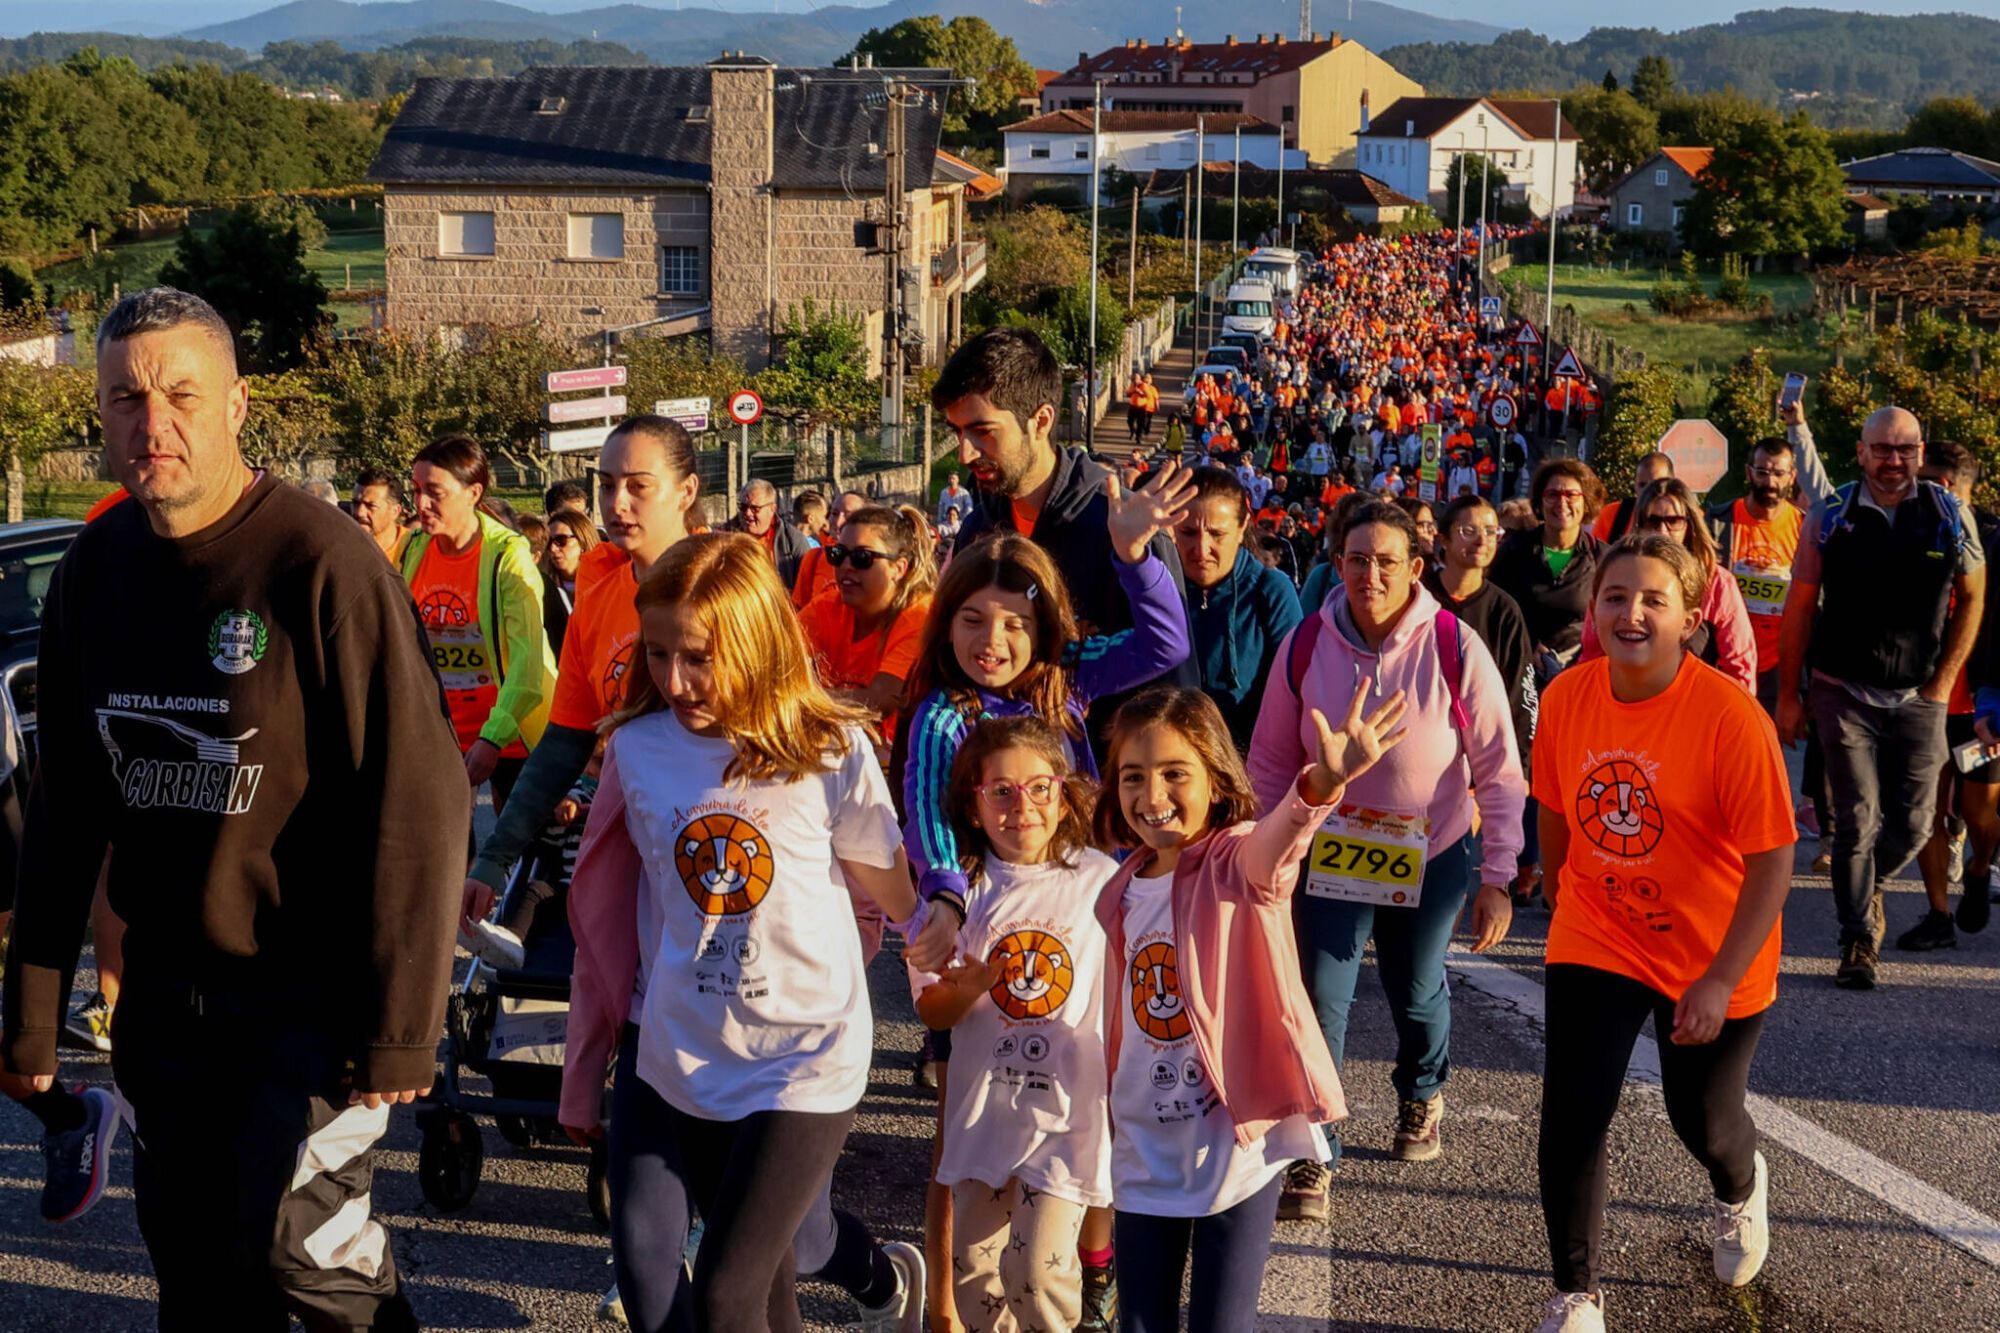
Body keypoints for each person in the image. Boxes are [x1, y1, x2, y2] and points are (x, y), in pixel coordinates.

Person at [0, 286, 468, 1328]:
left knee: (310, 1254)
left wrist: (400, 1026)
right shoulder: (93, 573)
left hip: (307, 1002)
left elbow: (417, 801)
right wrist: (31, 1014)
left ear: (237, 403)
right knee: (203, 1276)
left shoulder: (322, 563)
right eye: (127, 399)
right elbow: (64, 809)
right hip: (166, 1004)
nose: (152, 423)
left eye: (181, 394)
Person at [560, 533, 951, 1332]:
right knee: (761, 1291)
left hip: (806, 1052)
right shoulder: (635, 746)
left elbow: (892, 885)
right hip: (689, 1049)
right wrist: (592, 1045)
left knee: (726, 1292)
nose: (675, 680)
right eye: (659, 654)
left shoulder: (828, 746)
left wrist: (938, 920)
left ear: (755, 643)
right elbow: (613, 904)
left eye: (699, 658)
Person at [1529, 536, 1795, 1333]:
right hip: (1600, 928)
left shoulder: (1731, 717)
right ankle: (1576, 1295)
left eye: (1654, 600)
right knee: (1575, 1110)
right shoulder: (1568, 697)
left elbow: (1773, 859)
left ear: (1690, 618)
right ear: (1593, 608)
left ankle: (1740, 1186)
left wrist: (1719, 977)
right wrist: (1562, 893)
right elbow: (1555, 807)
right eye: (1615, 597)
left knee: (1702, 1120)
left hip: (1713, 947)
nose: (1632, 614)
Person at [1249, 500, 1523, 1220]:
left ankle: (1423, 1091)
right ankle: (1314, 1149)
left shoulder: (1454, 644)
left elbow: (1498, 764)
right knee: (1319, 995)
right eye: (1357, 560)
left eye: (1386, 562)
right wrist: (1263, 851)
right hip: (1330, 853)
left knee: (1416, 989)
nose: (1370, 575)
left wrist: (1499, 874)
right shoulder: (1306, 643)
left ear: (1415, 567)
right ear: (1337, 564)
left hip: (1431, 851)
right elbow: (1271, 760)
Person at [1092, 686, 1356, 1333]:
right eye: (1133, 776)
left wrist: (1319, 785)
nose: (1152, 794)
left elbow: (1279, 847)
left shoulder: (1236, 863)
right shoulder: (1117, 889)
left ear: (1215, 779)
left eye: (1174, 773)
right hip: (1144, 1145)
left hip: (1237, 1146)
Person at [913, 718, 1115, 1333]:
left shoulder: (1101, 880)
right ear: (972, 807)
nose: (1021, 806)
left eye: (1039, 788)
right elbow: (930, 1009)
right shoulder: (956, 896)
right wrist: (967, 989)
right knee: (976, 1279)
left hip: (1066, 1118)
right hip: (985, 1114)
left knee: (1036, 1276)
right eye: (1000, 791)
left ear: (1065, 796)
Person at [1777, 406, 1986, 990]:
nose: (1894, 460)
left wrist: (1943, 683)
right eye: (1883, 449)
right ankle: (1857, 941)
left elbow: (1974, 596)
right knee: (1856, 822)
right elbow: (1800, 607)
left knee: (1916, 825)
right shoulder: (1831, 515)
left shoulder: (1950, 514)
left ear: (1920, 452)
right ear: (1862, 452)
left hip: (1921, 694)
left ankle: (1866, 890)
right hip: (1841, 692)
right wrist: (1789, 696)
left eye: (1905, 449)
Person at [935, 328, 1192, 657]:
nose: (964, 454)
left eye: (982, 431)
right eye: (958, 432)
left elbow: (1171, 670)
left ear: (1041, 421)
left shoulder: (1126, 532)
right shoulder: (977, 531)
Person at [402, 434, 557, 827]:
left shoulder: (509, 556)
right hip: (440, 735)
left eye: (434, 492)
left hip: (512, 732)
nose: (421, 503)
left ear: (473, 492)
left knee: (521, 843)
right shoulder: (413, 547)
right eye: (416, 490)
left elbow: (527, 661)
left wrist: (493, 737)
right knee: (447, 848)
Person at [1900, 442, 2000, 952]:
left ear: (1953, 486)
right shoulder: (1907, 530)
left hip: (1976, 711)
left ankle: (1980, 868)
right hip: (1922, 704)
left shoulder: (1995, 542)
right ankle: (1939, 914)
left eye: (1930, 481)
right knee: (1927, 814)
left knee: (1980, 814)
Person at [1578, 479, 1758, 695]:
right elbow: (1592, 654)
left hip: (1695, 702)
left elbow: (1739, 663)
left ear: (1690, 524)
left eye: (1673, 521)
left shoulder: (1718, 582)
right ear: (1639, 525)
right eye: (1653, 521)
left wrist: (1734, 708)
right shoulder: (1615, 575)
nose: (1662, 531)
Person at [1173, 468, 1304, 749]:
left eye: (1217, 534)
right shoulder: (1158, 588)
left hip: (1250, 759)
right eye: (1188, 532)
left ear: (1242, 526)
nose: (1201, 548)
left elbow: (1295, 691)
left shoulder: (1271, 590)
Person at [1426, 494, 1538, 798]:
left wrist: (1520, 770)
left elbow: (1521, 696)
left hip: (1481, 772)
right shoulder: (1417, 597)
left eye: (1491, 531)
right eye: (1468, 531)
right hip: (1422, 762)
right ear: (1443, 539)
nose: (1481, 540)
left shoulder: (1503, 610)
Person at [799, 505, 936, 742]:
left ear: (899, 568)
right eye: (838, 554)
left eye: (862, 558)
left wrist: (798, 699)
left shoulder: (920, 615)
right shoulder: (826, 606)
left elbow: (880, 701)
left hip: (894, 756)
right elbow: (777, 667)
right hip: (832, 744)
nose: (846, 566)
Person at [1495, 459, 1607, 680]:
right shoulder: (1514, 551)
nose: (1561, 502)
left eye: (1571, 495)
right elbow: (1496, 610)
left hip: (1581, 673)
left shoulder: (1603, 558)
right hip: (1520, 670)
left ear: (1586, 502)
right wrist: (1528, 644)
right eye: (1552, 494)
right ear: (1540, 501)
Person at [729, 477, 813, 590]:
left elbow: (808, 582)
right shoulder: (728, 537)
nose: (748, 513)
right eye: (743, 507)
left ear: (772, 509)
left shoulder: (792, 540)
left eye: (755, 508)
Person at [795, 489, 869, 610]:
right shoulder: (814, 557)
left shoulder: (873, 560)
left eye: (849, 515)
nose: (838, 522)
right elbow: (799, 609)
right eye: (834, 513)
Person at [541, 507, 599, 659]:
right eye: (548, 542)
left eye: (561, 541)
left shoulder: (605, 584)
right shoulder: (543, 586)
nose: (553, 548)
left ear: (582, 541)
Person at [1589, 451, 1674, 543]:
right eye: (1642, 485)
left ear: (1672, 485)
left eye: (1655, 485)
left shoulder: (1680, 518)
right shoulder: (1613, 514)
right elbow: (1595, 550)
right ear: (1635, 485)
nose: (1647, 491)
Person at [352, 465, 410, 562]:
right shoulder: (341, 547)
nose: (359, 512)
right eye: (355, 503)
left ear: (395, 511)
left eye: (371, 506)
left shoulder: (415, 550)